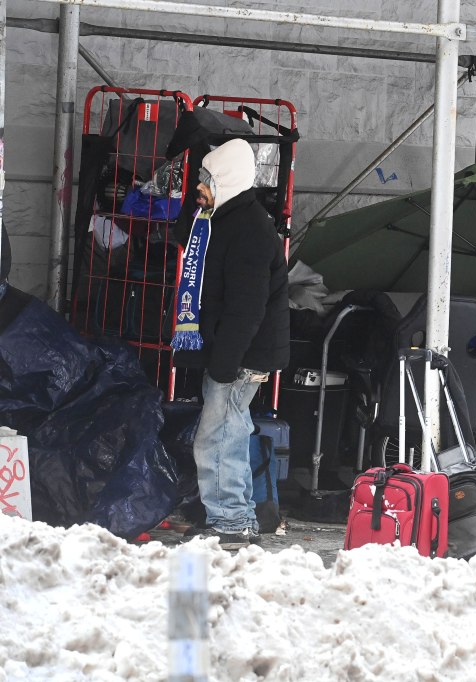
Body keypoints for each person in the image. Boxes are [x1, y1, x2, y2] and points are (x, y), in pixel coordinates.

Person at [172, 138, 289, 549]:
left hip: (241, 353)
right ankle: (231, 515)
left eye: (206, 179)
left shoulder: (250, 230)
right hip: (236, 349)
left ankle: (232, 520)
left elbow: (246, 308)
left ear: (226, 180)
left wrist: (224, 362)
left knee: (218, 437)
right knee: (227, 433)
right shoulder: (220, 220)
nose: (198, 188)